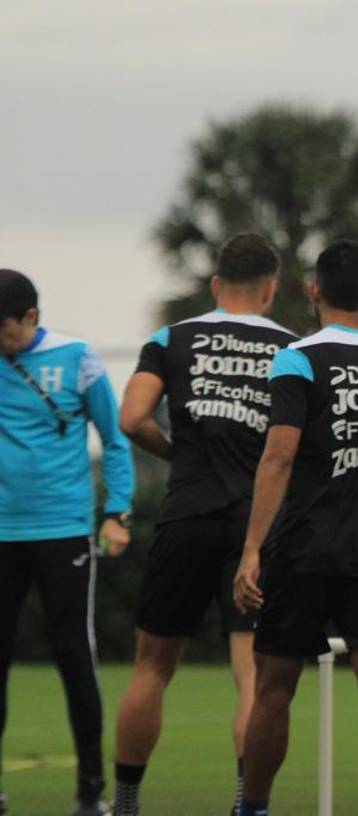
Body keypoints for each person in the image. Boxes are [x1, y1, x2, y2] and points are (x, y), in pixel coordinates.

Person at [110, 234, 296, 816]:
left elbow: (132, 417)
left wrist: (175, 455)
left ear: (216, 284)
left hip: (186, 513)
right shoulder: (294, 350)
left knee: (152, 666)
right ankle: (245, 803)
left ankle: (127, 802)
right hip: (255, 530)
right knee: (251, 674)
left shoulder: (172, 339)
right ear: (271, 290)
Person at [231, 240, 358, 816]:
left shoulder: (297, 357)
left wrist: (252, 548)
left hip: (306, 545)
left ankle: (253, 807)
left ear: (313, 291)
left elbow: (278, 457)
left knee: (274, 687)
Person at [0, 268, 134, 816]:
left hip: (63, 530)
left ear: (32, 317)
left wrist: (117, 511)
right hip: (1, 533)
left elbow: (116, 437)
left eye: (5, 331)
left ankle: (89, 790)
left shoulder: (76, 358)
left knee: (74, 655)